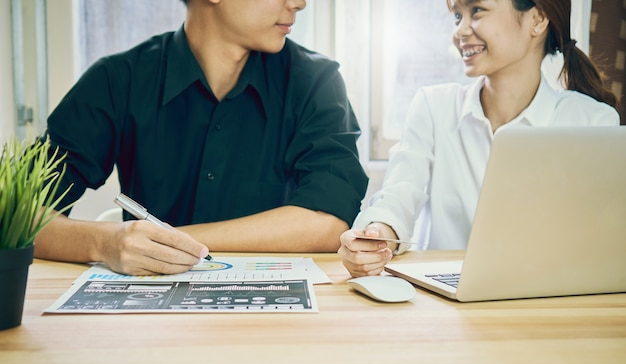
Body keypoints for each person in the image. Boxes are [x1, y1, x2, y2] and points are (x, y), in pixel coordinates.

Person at [35, 0, 368, 276]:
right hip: (151, 316)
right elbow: (21, 215)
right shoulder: (118, 79)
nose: (299, 3)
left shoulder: (316, 81)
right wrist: (105, 242)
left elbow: (328, 222)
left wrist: (169, 240)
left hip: (272, 312)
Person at [338, 0, 620, 277]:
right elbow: (398, 198)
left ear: (537, 19)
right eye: (457, 17)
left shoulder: (592, 122)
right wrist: (376, 237)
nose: (460, 31)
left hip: (547, 302)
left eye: (477, 11)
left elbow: (600, 242)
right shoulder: (434, 107)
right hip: (443, 303)